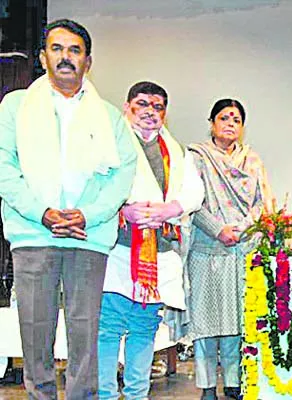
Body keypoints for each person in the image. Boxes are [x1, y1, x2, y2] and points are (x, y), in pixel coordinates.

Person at [0, 19, 137, 398]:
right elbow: (3, 167)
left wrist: (88, 214)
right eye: (57, 49)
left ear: (88, 62)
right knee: (34, 329)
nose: (65, 57)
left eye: (74, 51)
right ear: (43, 57)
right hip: (32, 234)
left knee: (84, 331)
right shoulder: (15, 107)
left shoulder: (109, 117)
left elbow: (123, 174)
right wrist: (41, 212)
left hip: (87, 237)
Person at [97, 82, 204, 400]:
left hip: (160, 251)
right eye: (142, 104)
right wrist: (124, 209)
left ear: (164, 114)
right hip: (118, 249)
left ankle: (136, 395)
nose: (149, 112)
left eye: (157, 107)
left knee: (144, 327)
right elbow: (97, 184)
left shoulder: (175, 150)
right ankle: (104, 395)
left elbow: (193, 191)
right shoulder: (111, 143)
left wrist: (170, 209)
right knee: (110, 326)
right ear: (127, 106)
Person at [186, 99, 272, 400]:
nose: (230, 124)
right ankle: (207, 386)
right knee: (206, 323)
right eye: (224, 118)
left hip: (242, 249)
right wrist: (218, 230)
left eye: (236, 119)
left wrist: (243, 229)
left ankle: (234, 383)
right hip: (206, 249)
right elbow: (190, 202)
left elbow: (264, 204)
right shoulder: (196, 158)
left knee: (238, 322)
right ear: (212, 123)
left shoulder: (253, 161)